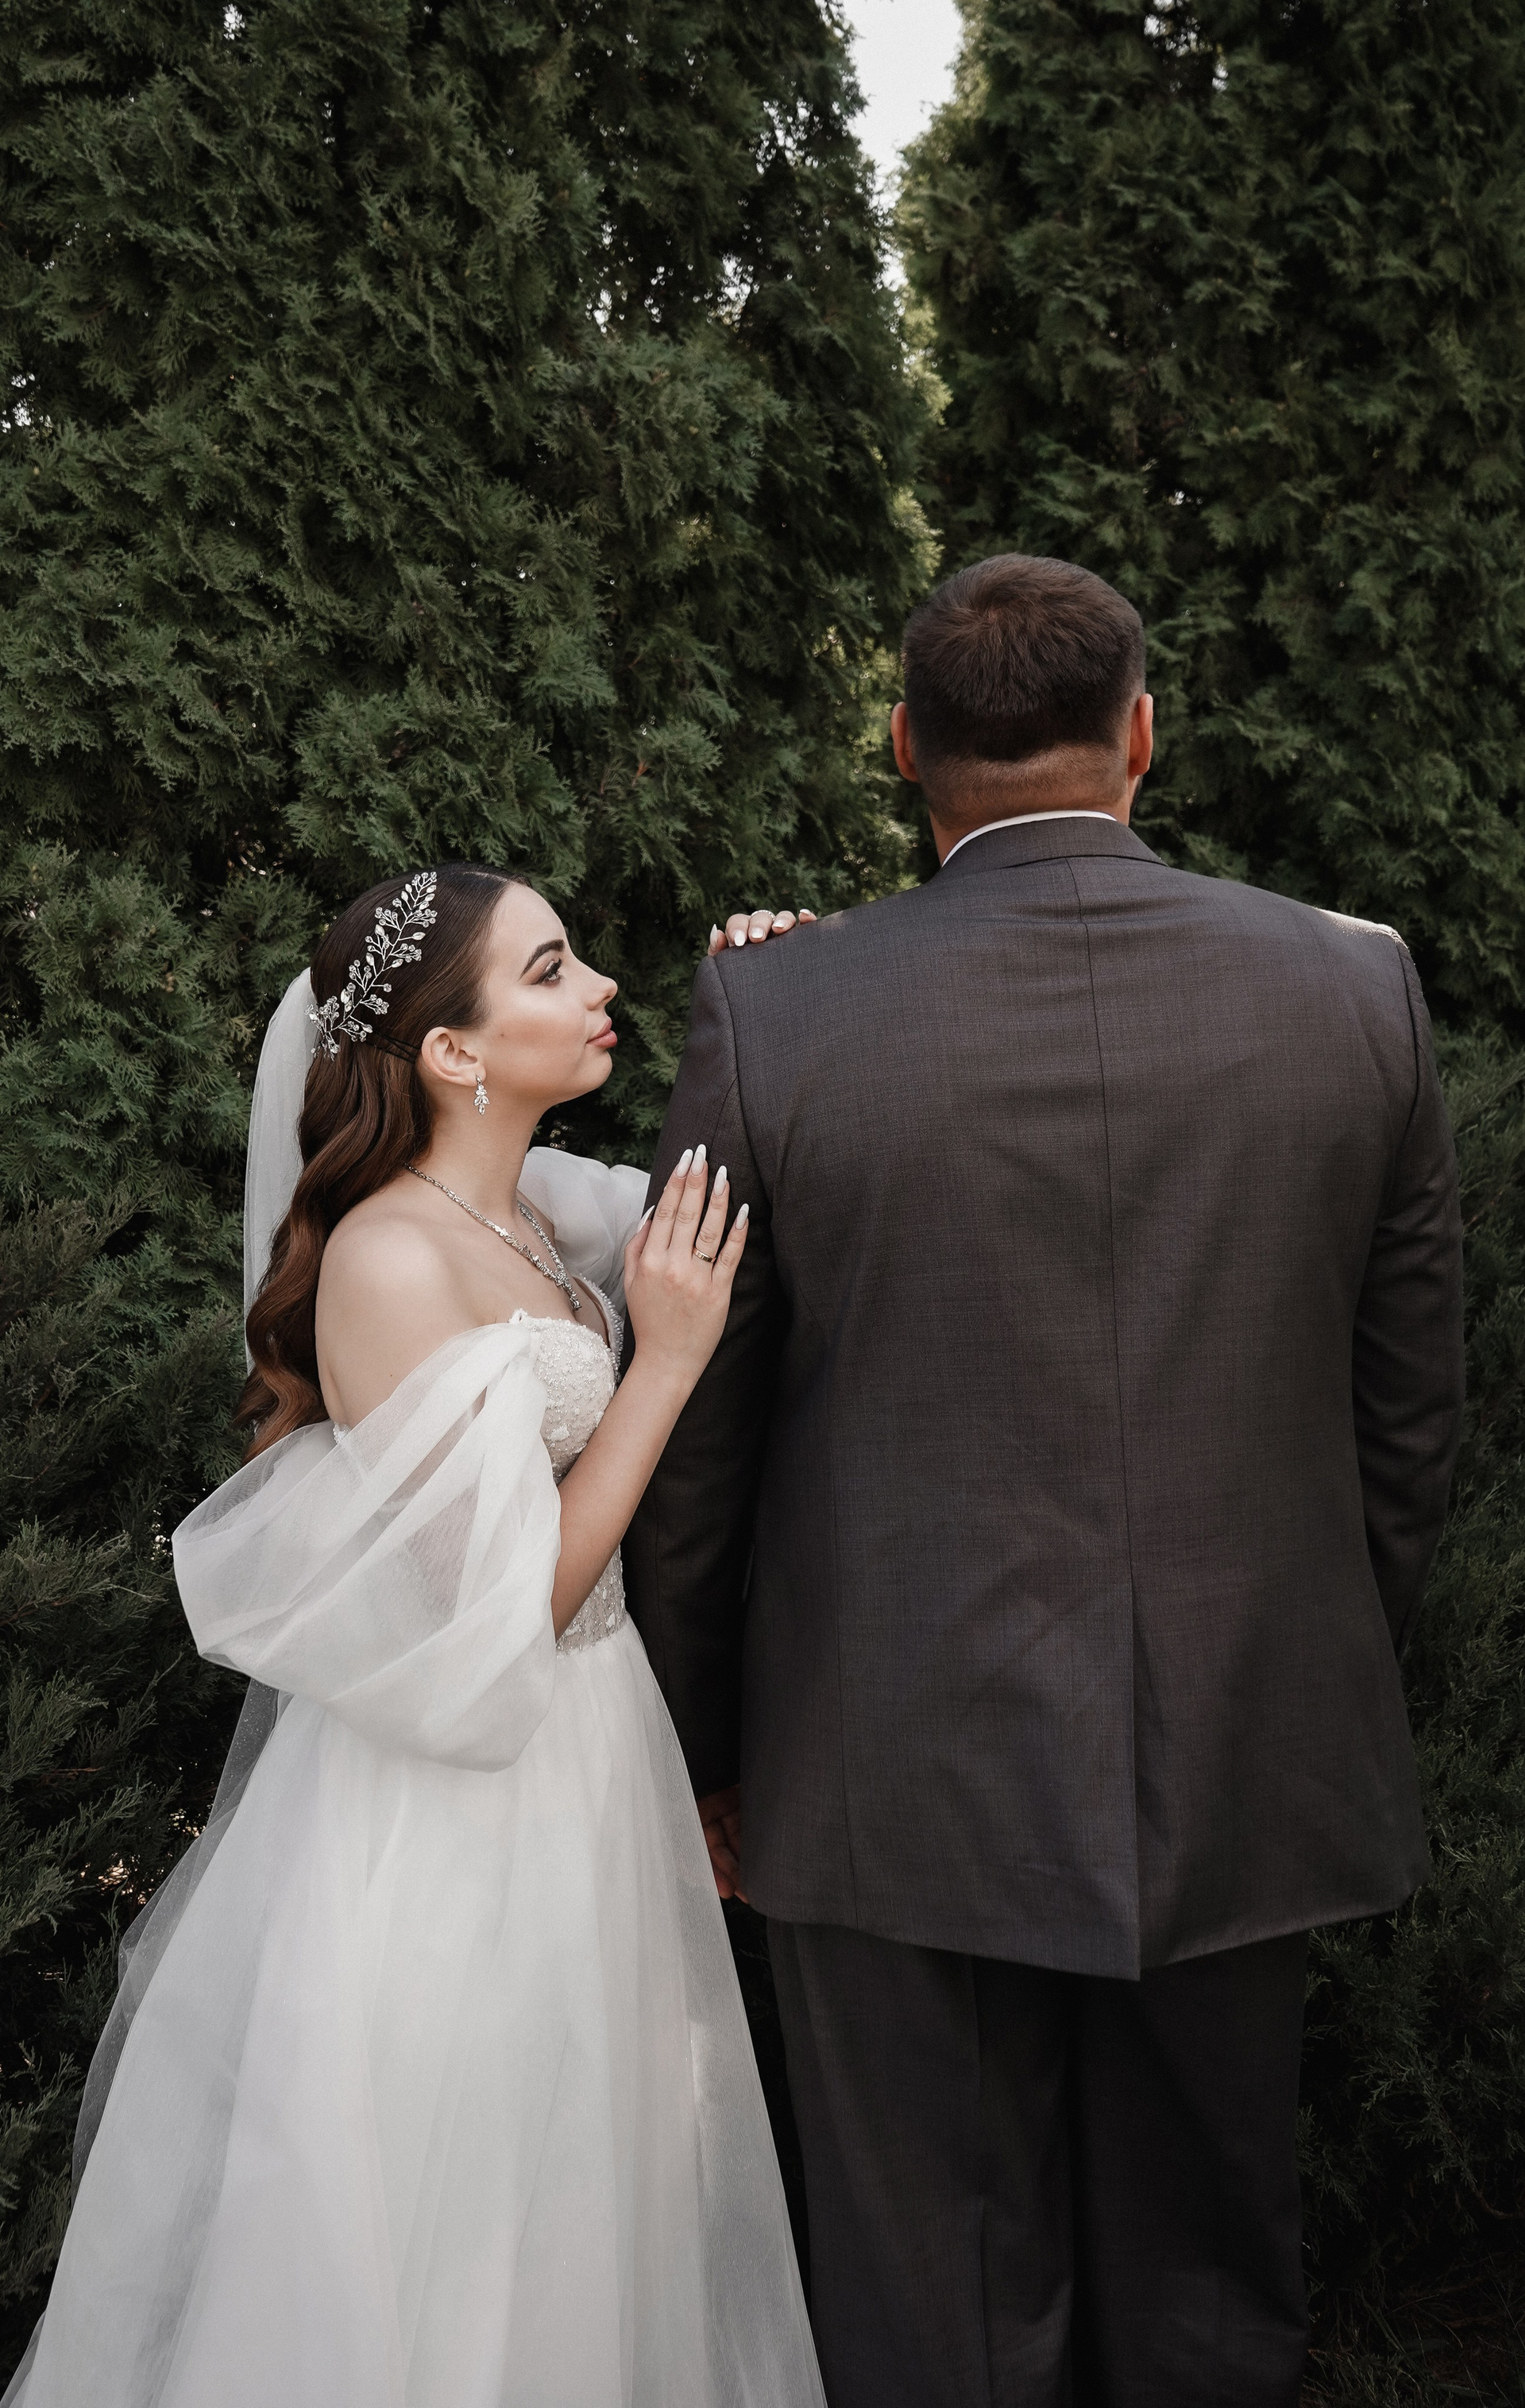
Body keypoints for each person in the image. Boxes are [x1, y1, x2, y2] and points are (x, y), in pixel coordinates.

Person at [623, 552, 1467, 2407]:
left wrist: (704, 1752)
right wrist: (1298, 1674)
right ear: (1141, 734)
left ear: (902, 746)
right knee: (1207, 2303)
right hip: (1244, 1745)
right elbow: (1410, 1417)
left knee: (933, 2314)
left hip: (882, 1771)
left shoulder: (778, 1010)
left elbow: (696, 1439)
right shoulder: (1359, 987)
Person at [6, 865, 824, 2408]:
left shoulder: (540, 1210)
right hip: (465, 1799)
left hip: (598, 1750)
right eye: (550, 970)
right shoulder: (389, 1258)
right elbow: (501, 1611)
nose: (602, 989)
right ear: (453, 1049)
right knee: (468, 2208)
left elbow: (728, 1186)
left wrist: (780, 976)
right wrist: (663, 1368)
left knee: (598, 2188)